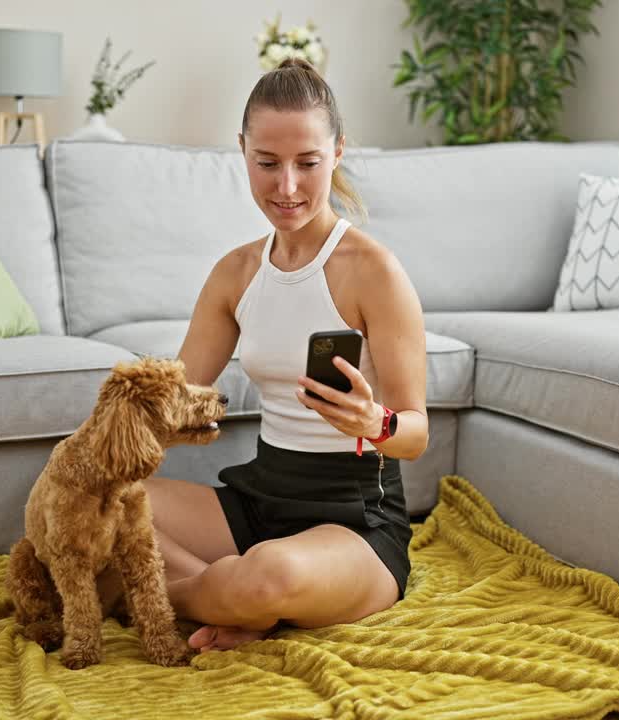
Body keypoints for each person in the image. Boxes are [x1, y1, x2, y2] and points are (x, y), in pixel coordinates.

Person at [146, 57, 428, 653]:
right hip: (257, 500)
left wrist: (374, 424)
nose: (287, 187)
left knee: (269, 575)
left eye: (308, 163)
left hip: (355, 524)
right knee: (100, 506)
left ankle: (165, 591)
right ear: (242, 151)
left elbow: (415, 433)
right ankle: (228, 599)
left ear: (339, 152)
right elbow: (170, 405)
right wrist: (98, 457)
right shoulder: (234, 274)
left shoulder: (374, 271)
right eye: (267, 163)